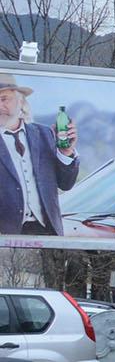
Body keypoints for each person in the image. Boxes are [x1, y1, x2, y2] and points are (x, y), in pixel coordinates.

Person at [0, 72, 77, 238]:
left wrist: (66, 152)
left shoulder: (44, 134)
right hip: (5, 236)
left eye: (4, 99)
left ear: (21, 101)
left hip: (48, 232)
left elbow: (66, 184)